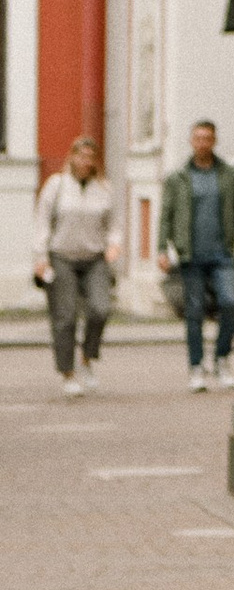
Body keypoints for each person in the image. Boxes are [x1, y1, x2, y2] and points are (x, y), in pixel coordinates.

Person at [157, 119, 234, 394]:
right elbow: (166, 216)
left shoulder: (227, 174)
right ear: (191, 141)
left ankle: (222, 359)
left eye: (207, 138)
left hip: (222, 252)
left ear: (214, 141)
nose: (202, 143)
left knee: (230, 302)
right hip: (191, 254)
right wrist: (163, 249)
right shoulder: (178, 177)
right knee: (195, 311)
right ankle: (196, 367)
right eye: (198, 138)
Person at [33, 134, 119, 395]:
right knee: (66, 316)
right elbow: (42, 222)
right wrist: (40, 257)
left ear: (95, 162)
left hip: (94, 258)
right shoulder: (56, 185)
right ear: (71, 157)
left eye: (90, 157)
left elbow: (114, 225)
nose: (85, 161)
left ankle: (87, 358)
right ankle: (67, 372)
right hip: (62, 257)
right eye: (80, 156)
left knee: (100, 309)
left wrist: (114, 244)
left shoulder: (104, 188)